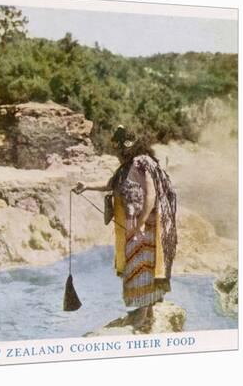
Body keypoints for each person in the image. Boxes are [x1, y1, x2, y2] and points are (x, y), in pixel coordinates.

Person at [74, 125, 177, 329]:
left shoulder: (142, 162)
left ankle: (144, 314)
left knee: (143, 265)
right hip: (133, 225)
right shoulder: (126, 167)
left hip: (146, 225)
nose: (117, 151)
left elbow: (151, 194)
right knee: (134, 266)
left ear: (127, 145)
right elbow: (111, 185)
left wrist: (140, 224)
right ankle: (143, 309)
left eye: (118, 147)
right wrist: (86, 185)